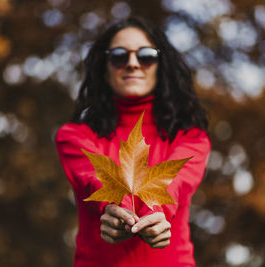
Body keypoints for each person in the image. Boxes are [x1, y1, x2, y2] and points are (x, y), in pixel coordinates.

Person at [55, 17, 211, 267]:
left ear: (161, 66)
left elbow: (176, 181)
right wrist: (116, 210)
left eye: (146, 55)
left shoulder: (191, 138)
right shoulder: (75, 136)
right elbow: (92, 176)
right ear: (104, 69)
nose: (132, 63)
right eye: (119, 56)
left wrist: (157, 213)